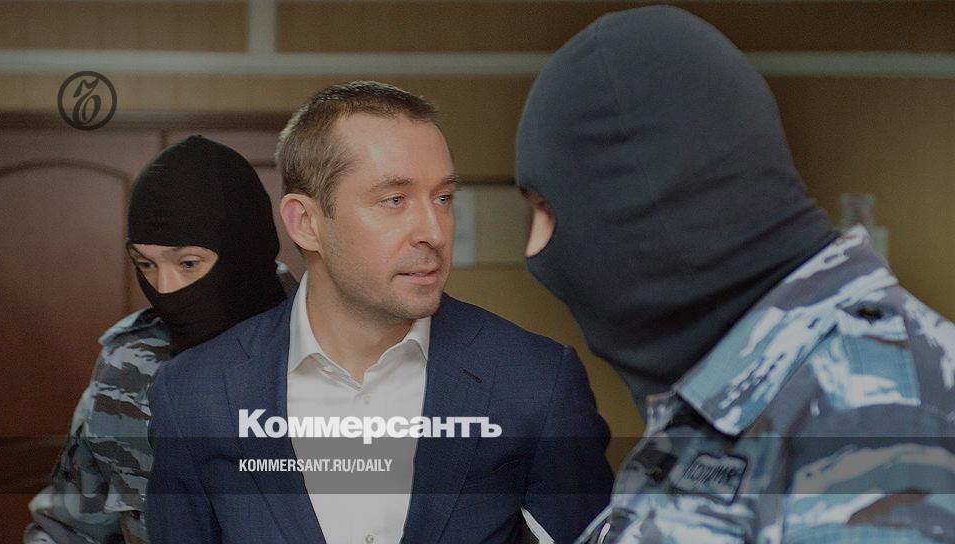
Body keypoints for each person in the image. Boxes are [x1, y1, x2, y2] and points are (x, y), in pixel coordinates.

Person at [515, 7, 955, 544]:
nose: (534, 250)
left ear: (651, 203)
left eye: (546, 209)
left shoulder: (870, 417)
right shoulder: (750, 401)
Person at [146, 81, 613, 544]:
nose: (434, 232)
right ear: (306, 223)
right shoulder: (195, 396)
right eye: (395, 200)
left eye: (443, 198)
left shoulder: (537, 382)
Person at [25, 136, 296, 544]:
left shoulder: (327, 349)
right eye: (145, 264)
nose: (165, 289)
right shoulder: (125, 362)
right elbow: (68, 528)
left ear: (244, 250)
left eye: (188, 263)